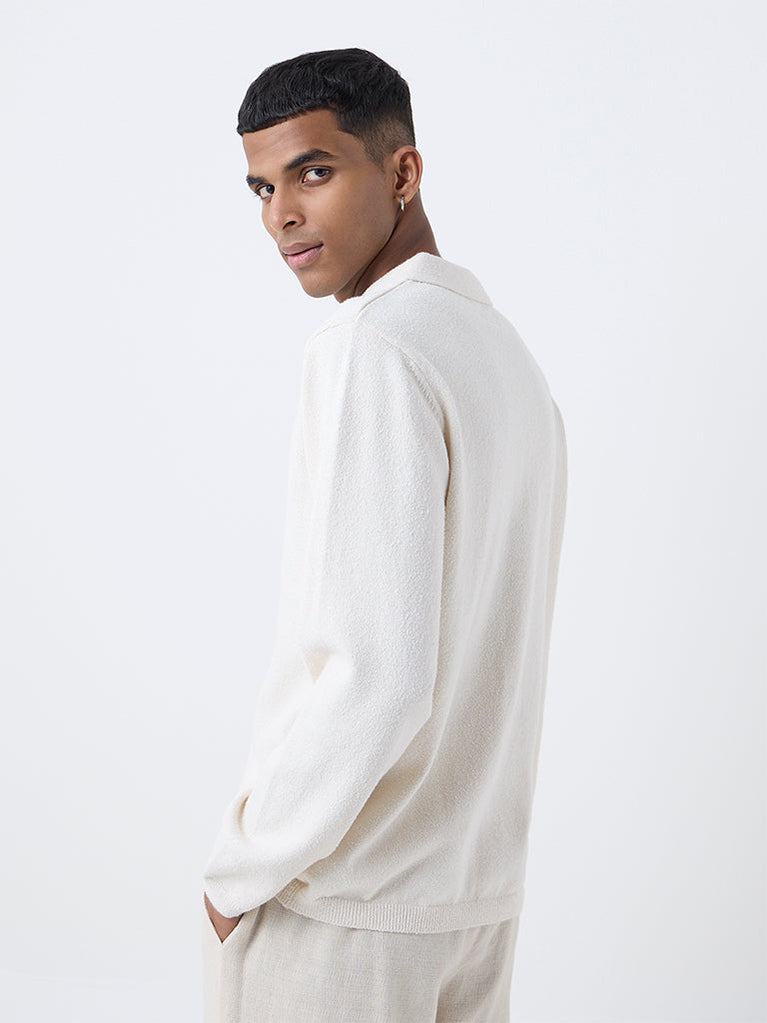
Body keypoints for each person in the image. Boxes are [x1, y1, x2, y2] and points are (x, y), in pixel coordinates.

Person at [201, 47, 568, 1022]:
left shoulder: (373, 343)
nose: (281, 214)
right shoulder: (502, 355)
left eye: (313, 172)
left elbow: (379, 673)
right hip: (471, 904)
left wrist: (243, 866)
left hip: (344, 911)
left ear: (402, 171)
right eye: (262, 187)